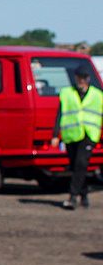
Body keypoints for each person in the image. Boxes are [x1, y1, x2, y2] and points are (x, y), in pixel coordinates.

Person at [53, 68, 102, 209]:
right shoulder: (67, 93)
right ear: (75, 78)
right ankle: (84, 194)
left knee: (81, 164)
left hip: (89, 134)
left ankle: (73, 197)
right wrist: (55, 135)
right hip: (72, 134)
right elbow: (59, 114)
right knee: (76, 166)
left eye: (84, 77)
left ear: (88, 79)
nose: (81, 80)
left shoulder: (98, 95)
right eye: (79, 77)